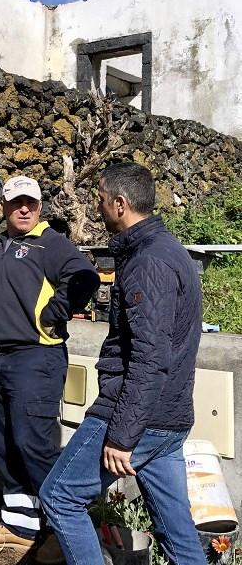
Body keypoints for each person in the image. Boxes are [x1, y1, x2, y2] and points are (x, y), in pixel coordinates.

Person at [40, 162, 206, 565]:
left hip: (136, 417)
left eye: (98, 198)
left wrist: (123, 434)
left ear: (120, 204)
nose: (95, 207)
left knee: (59, 497)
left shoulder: (149, 262)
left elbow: (150, 357)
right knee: (177, 534)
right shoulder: (170, 252)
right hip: (167, 421)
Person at [0, 175, 99, 556]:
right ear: (2, 207)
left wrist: (54, 314)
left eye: (31, 203)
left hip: (37, 360)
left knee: (33, 445)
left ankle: (62, 530)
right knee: (6, 445)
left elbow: (85, 277)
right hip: (1, 361)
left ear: (39, 206)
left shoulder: (50, 244)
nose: (24, 209)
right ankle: (22, 528)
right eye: (16, 202)